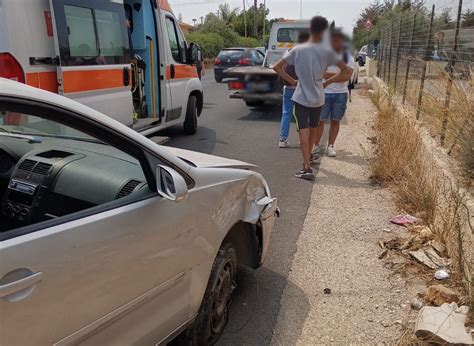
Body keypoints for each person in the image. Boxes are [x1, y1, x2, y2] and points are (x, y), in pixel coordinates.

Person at [273, 16, 350, 180]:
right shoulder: (327, 51)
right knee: (314, 129)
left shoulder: (298, 49)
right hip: (318, 98)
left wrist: (292, 81)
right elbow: (347, 71)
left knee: (303, 131)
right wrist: (328, 82)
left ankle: (306, 167)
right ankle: (309, 158)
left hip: (301, 96)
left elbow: (276, 67)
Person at [314, 29, 355, 157]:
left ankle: (330, 146)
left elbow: (347, 77)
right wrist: (340, 73)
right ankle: (315, 145)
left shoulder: (349, 57)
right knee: (319, 121)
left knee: (335, 121)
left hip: (341, 94)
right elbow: (321, 73)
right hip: (325, 92)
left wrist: (331, 77)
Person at [278, 30, 310, 148]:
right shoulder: (307, 53)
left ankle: (282, 139)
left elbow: (280, 67)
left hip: (288, 87)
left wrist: (290, 81)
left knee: (286, 113)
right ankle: (303, 139)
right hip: (300, 88)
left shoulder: (289, 51)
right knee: (301, 114)